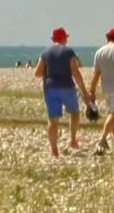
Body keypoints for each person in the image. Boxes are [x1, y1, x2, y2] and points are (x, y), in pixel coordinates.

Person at [34, 27, 91, 157]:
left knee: (53, 120)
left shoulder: (45, 53)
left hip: (50, 88)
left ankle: (54, 150)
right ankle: (72, 140)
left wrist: (49, 73)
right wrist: (84, 91)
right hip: (67, 87)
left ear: (53, 39)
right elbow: (75, 72)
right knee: (74, 113)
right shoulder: (68, 51)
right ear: (65, 38)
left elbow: (37, 73)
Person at [89, 28, 114, 151]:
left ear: (107, 39)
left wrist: (92, 91)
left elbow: (96, 74)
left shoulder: (99, 52)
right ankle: (102, 138)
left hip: (106, 87)